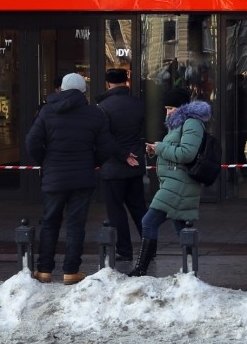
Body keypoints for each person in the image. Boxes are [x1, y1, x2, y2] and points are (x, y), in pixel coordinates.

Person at [24, 72, 119, 284]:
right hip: (82, 177)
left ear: (62, 89)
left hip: (54, 176)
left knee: (49, 222)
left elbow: (32, 142)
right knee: (76, 225)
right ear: (84, 91)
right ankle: (70, 271)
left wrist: (45, 161)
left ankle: (44, 270)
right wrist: (93, 161)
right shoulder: (94, 114)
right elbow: (107, 145)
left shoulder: (47, 111)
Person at [131, 87, 210, 277]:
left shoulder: (192, 123)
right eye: (166, 108)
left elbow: (186, 153)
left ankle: (142, 268)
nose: (168, 111)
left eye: (172, 107)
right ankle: (191, 270)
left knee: (148, 221)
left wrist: (160, 148)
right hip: (175, 183)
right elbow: (176, 151)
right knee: (181, 228)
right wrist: (156, 150)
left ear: (182, 107)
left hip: (180, 184)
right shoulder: (180, 124)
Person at [96, 68, 147, 265]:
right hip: (135, 163)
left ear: (108, 83)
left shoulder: (103, 107)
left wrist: (123, 155)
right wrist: (132, 155)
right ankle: (149, 246)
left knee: (116, 211)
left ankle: (125, 250)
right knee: (139, 208)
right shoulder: (138, 103)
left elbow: (104, 138)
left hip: (114, 167)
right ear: (126, 82)